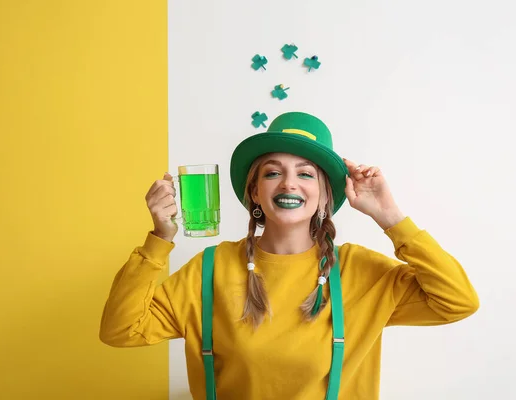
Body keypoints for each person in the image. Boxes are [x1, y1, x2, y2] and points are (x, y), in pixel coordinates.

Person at [99, 112, 479, 400]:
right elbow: (121, 329)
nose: (289, 183)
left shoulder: (362, 272)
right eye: (272, 172)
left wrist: (392, 217)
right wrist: (159, 239)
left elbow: (457, 301)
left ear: (326, 196)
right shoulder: (210, 270)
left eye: (306, 173)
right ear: (254, 193)